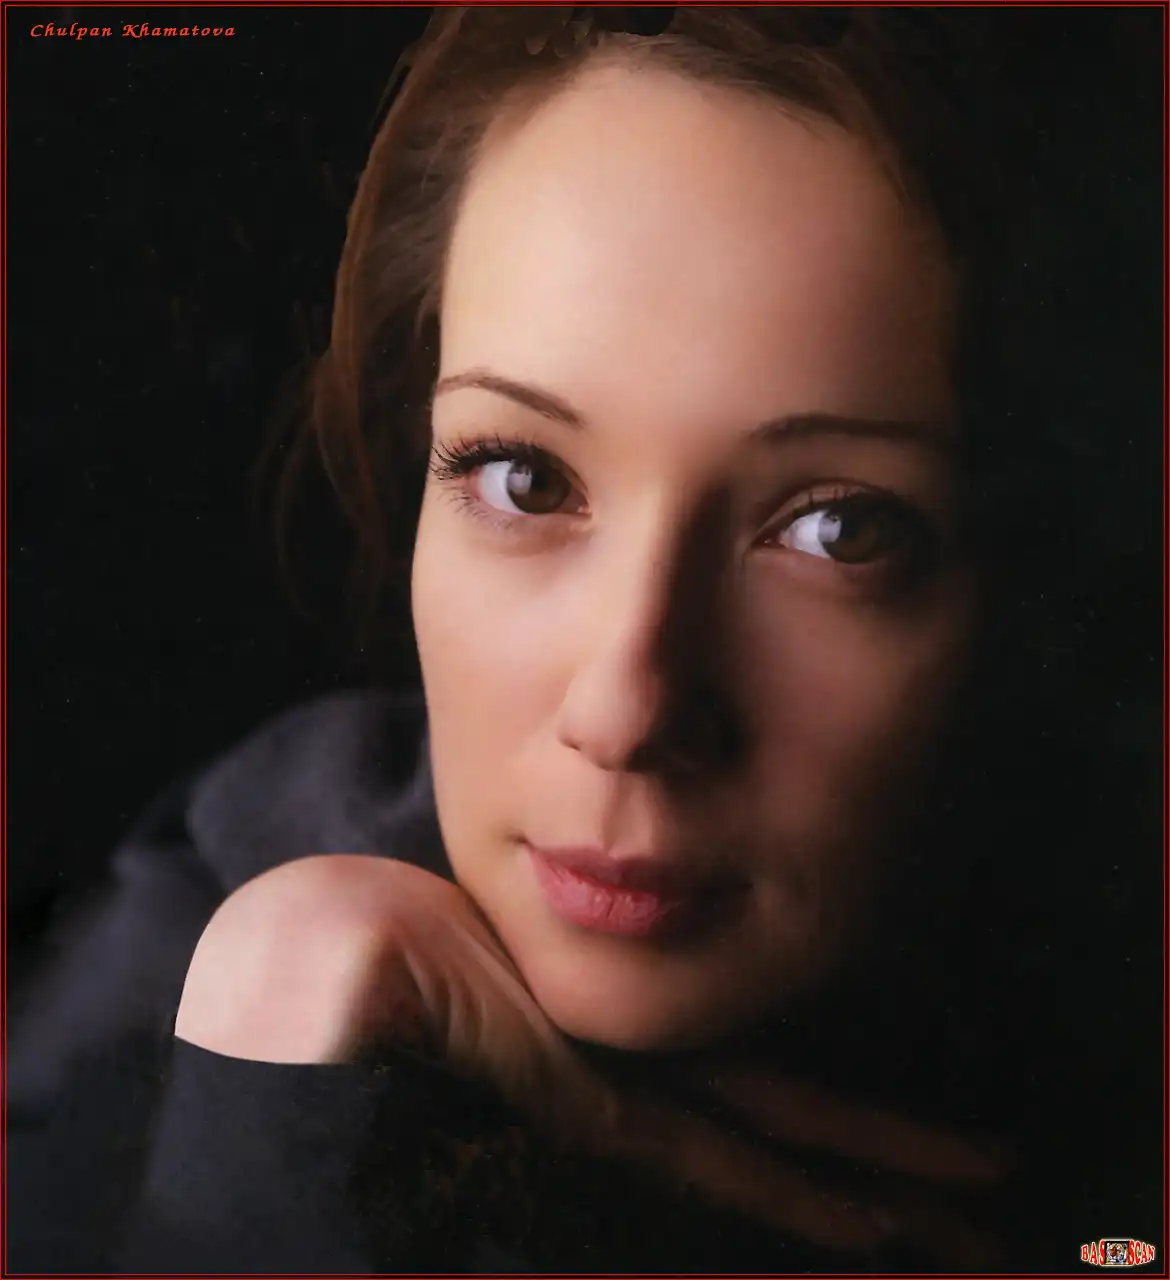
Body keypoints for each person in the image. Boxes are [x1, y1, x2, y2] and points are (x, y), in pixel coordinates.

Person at [8, 7, 1159, 1273]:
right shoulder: (214, 904)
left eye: (841, 528)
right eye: (526, 477)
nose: (627, 708)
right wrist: (279, 1092)